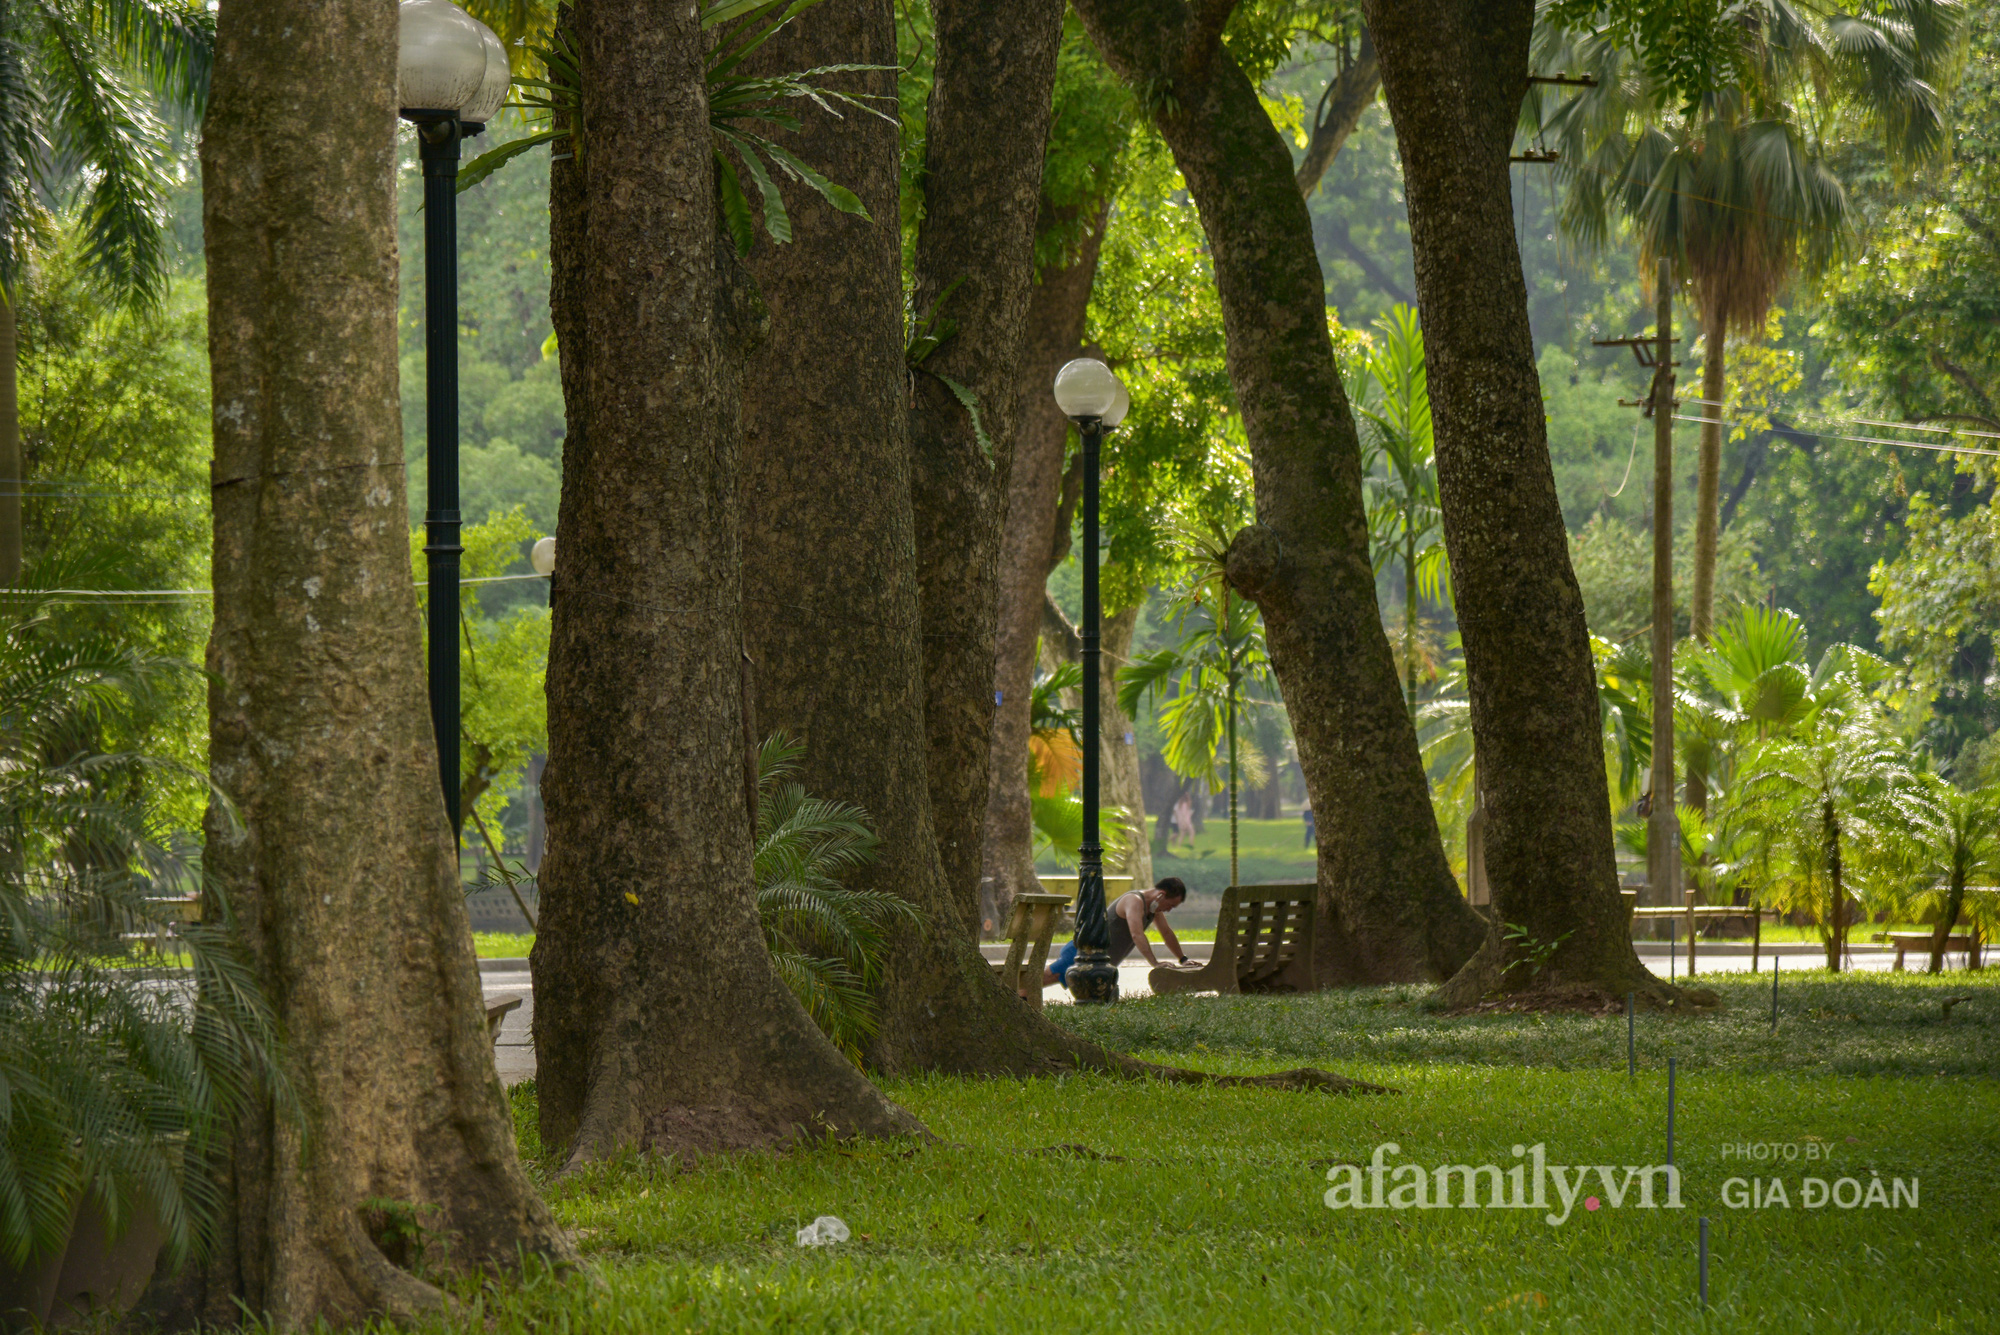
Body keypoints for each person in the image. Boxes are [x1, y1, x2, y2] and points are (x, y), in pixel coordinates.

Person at [1043, 877, 1192, 989]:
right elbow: (1137, 934)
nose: (1168, 910)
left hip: (1102, 965)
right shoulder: (1134, 901)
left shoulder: (1154, 909)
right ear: (1161, 895)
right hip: (1083, 953)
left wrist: (1183, 959)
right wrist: (1155, 963)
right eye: (1170, 905)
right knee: (1039, 980)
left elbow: (1166, 933)